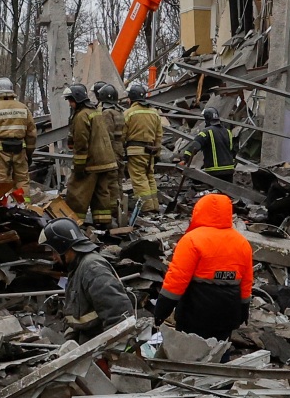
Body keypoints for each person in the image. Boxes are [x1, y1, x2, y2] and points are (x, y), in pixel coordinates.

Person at [151, 192, 253, 341]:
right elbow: (246, 281)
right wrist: (244, 309)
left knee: (190, 353)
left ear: (199, 211)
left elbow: (177, 279)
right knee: (219, 352)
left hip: (195, 311)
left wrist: (161, 311)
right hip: (228, 311)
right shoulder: (242, 242)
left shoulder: (192, 240)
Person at [43, 217, 133, 336]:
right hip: (89, 342)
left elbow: (118, 316)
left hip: (101, 345)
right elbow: (76, 318)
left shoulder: (92, 269)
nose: (54, 257)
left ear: (64, 247)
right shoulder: (76, 268)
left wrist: (111, 352)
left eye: (54, 251)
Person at [64, 83, 120, 225]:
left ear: (77, 99)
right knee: (101, 193)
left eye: (70, 100)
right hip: (106, 160)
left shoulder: (81, 116)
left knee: (77, 192)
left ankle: (73, 222)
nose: (70, 104)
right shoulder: (95, 111)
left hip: (92, 162)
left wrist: (79, 167)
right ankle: (103, 223)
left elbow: (81, 143)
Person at [122, 81, 165, 214]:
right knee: (150, 177)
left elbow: (122, 134)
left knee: (139, 179)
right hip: (151, 151)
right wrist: (157, 152)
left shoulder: (129, 113)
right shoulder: (154, 113)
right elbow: (159, 135)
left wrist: (121, 151)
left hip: (135, 151)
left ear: (132, 98)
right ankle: (155, 205)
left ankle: (146, 208)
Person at [181, 106, 240, 181]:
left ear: (207, 119)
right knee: (226, 191)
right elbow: (234, 150)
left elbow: (195, 146)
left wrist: (185, 159)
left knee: (213, 191)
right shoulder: (228, 132)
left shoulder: (206, 132)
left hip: (214, 171)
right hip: (229, 170)